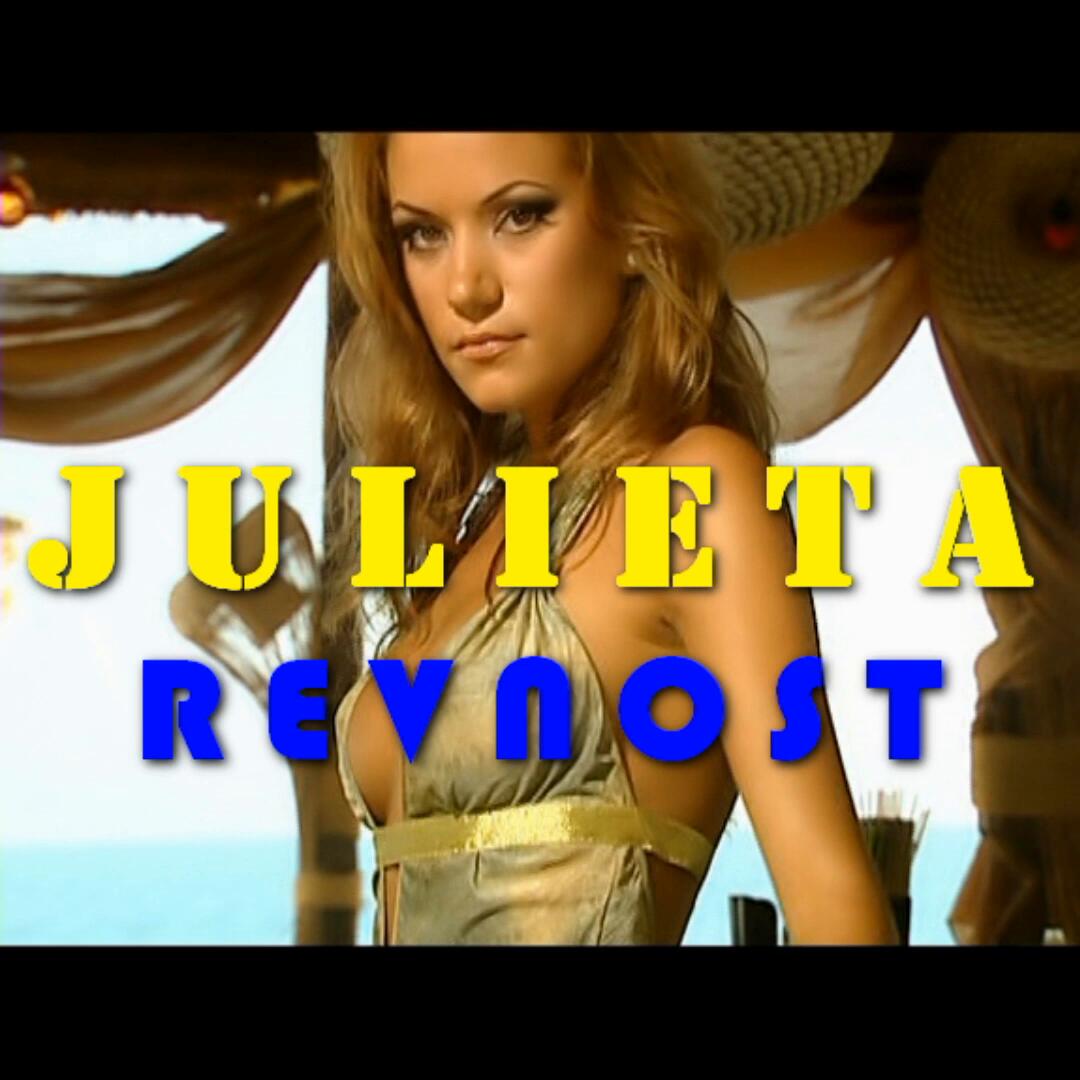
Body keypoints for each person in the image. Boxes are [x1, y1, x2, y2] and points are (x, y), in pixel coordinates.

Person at [319, 132, 900, 946]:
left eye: (521, 216)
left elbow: (839, 911)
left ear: (634, 226)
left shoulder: (696, 492)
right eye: (423, 233)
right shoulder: (479, 530)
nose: (466, 287)